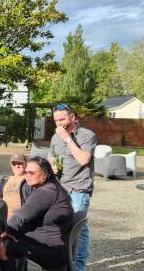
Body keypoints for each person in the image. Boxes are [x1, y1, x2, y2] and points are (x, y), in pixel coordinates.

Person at [0, 157, 74, 271]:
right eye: (26, 172)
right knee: (13, 237)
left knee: (3, 246)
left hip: (51, 250)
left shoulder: (46, 192)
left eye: (32, 172)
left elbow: (21, 217)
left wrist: (4, 233)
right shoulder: (52, 187)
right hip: (57, 245)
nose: (27, 175)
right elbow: (28, 212)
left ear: (45, 174)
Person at [48, 104, 97, 271]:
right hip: (60, 188)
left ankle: (78, 267)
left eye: (62, 119)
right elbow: (51, 156)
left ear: (72, 117)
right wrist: (52, 164)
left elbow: (84, 159)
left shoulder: (86, 135)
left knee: (78, 231)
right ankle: (65, 263)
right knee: (60, 227)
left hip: (78, 189)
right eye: (56, 120)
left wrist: (68, 139)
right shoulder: (56, 137)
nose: (59, 123)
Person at [0, 153, 26, 219]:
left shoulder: (29, 179)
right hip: (3, 216)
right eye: (14, 164)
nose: (17, 166)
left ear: (25, 164)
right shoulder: (5, 179)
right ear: (11, 165)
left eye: (20, 163)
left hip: (19, 217)